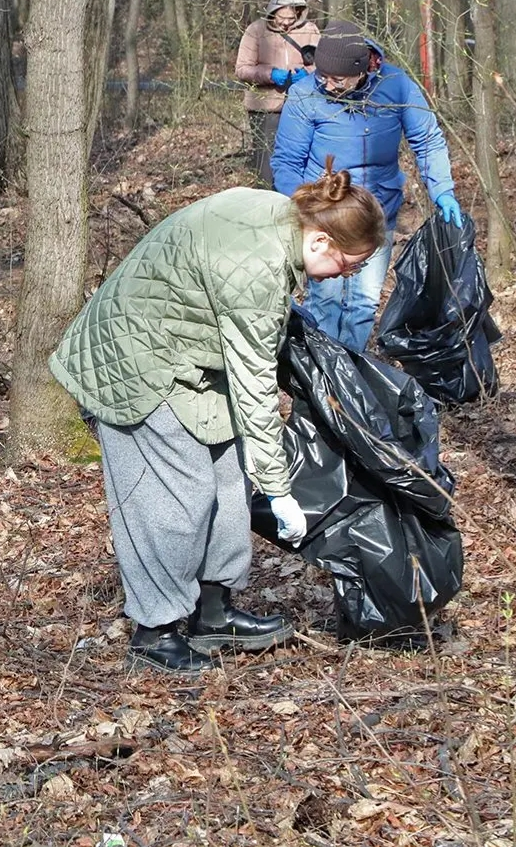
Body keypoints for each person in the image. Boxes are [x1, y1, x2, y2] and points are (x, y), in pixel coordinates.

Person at [50, 164, 388, 674]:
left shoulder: (281, 218)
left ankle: (214, 612)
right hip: (135, 362)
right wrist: (279, 489)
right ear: (320, 240)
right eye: (348, 264)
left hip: (191, 357)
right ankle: (156, 633)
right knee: (173, 500)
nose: (347, 276)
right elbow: (254, 386)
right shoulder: (257, 268)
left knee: (229, 482)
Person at [271, 20, 462, 353]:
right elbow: (287, 162)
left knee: (363, 302)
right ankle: (323, 369)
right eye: (322, 75)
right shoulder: (305, 94)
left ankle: (351, 366)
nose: (327, 84)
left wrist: (442, 189)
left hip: (378, 212)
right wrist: (303, 213)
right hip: (326, 217)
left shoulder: (396, 86)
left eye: (337, 79)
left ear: (361, 70)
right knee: (325, 302)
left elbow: (427, 140)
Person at [234, 0, 320, 185]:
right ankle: (267, 199)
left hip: (301, 105)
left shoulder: (310, 30)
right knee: (266, 164)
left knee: (299, 161)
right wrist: (270, 74)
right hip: (265, 108)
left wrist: (307, 74)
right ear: (273, 12)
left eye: (291, 18)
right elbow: (242, 69)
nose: (286, 23)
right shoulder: (256, 31)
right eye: (282, 18)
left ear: (298, 12)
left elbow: (323, 65)